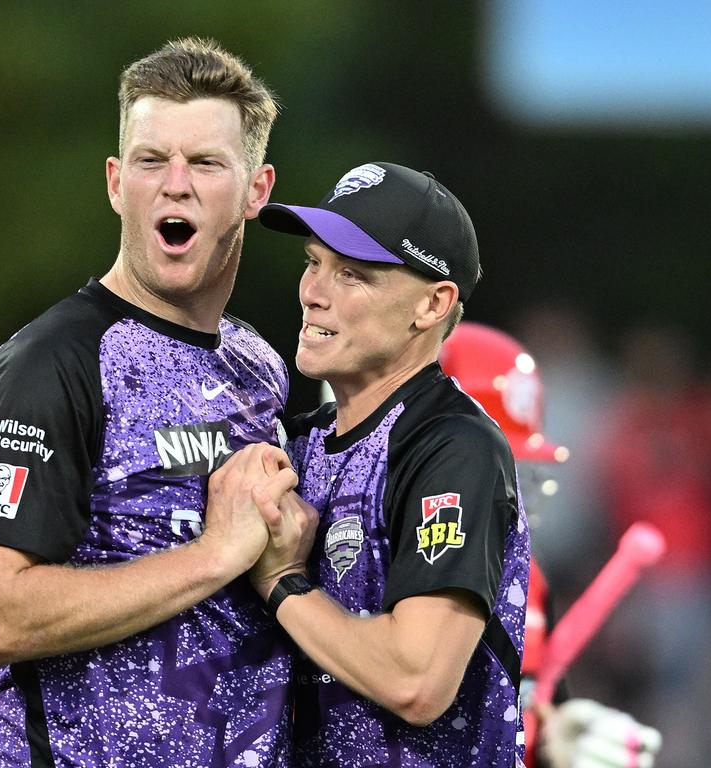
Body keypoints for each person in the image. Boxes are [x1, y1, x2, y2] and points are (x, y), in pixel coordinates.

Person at [0, 37, 301, 767]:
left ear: (257, 189)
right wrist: (212, 556)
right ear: (116, 182)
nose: (175, 184)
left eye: (205, 162)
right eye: (150, 160)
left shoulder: (260, 366)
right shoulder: (56, 362)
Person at [244, 162, 531, 766]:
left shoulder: (453, 446)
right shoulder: (296, 443)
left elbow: (417, 679)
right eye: (313, 262)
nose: (313, 291)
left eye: (353, 274)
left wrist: (283, 584)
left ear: (432, 304)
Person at [440, 321, 662, 768]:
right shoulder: (352, 561)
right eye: (498, 471)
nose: (511, 497)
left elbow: (532, 706)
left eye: (522, 475)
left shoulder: (530, 580)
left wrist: (554, 741)